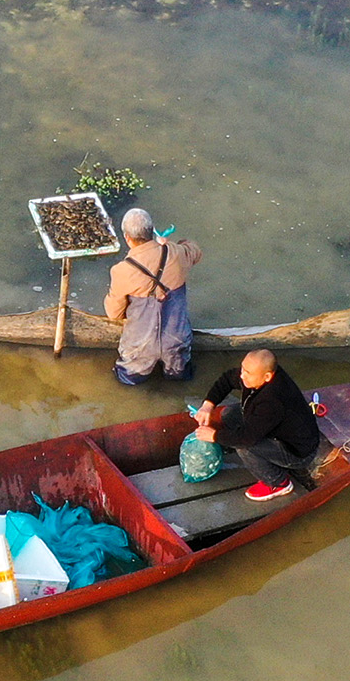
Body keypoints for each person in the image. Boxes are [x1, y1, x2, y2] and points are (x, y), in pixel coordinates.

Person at [192, 347, 329, 502]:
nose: (242, 375)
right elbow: (227, 379)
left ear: (267, 376)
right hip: (275, 429)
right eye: (243, 369)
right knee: (229, 414)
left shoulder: (272, 401)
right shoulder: (257, 376)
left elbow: (246, 439)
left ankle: (279, 483)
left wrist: (215, 436)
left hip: (297, 452)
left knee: (244, 448)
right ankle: (267, 458)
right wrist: (208, 405)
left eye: (247, 373)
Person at [103, 206, 201, 387]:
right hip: (176, 341)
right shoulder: (177, 254)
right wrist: (167, 244)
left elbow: (114, 313)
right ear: (151, 231)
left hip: (140, 346)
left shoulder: (121, 271)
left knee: (127, 383)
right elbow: (194, 250)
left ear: (127, 238)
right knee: (180, 382)